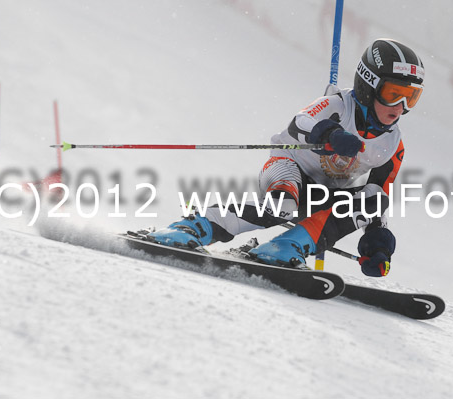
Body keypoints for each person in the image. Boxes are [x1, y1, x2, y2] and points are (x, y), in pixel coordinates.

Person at [146, 38, 425, 277]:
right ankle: (194, 227)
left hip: (324, 195)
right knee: (284, 206)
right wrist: (330, 134)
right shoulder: (339, 105)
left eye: (411, 98)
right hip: (288, 169)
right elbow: (300, 123)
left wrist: (378, 245)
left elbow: (377, 198)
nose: (400, 107)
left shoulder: (392, 145)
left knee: (371, 200)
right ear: (369, 86)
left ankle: (285, 247)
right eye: (393, 94)